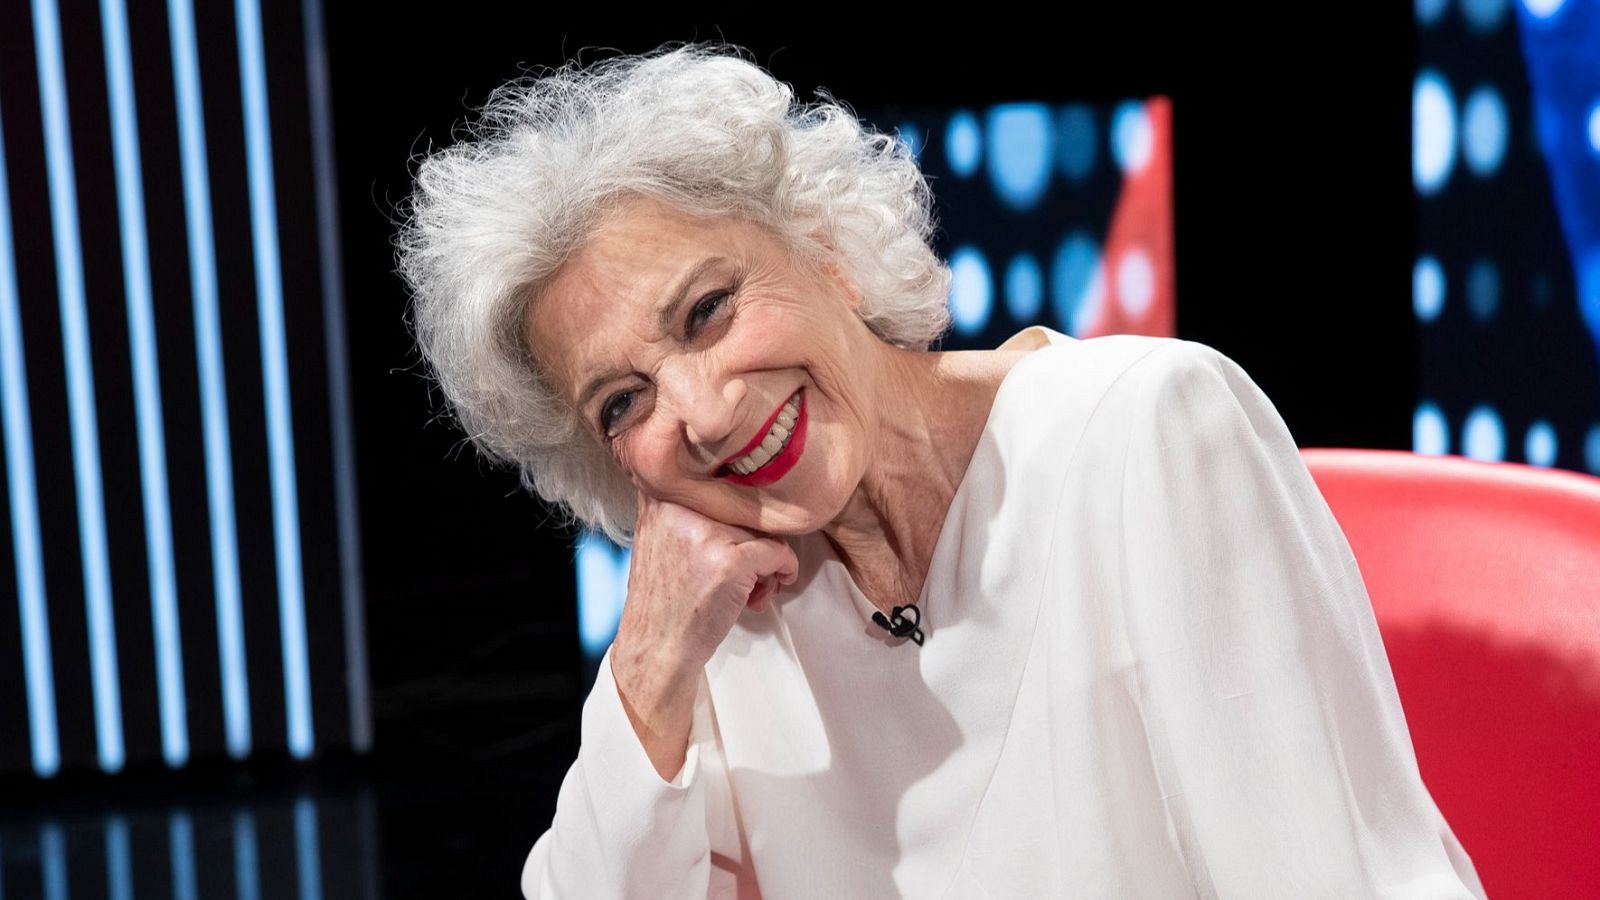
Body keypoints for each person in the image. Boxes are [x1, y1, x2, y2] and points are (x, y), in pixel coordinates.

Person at [397, 42, 1488, 900]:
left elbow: (1337, 880)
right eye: (623, 403)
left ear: (821, 245)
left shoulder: (1147, 434)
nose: (705, 412)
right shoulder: (721, 618)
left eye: (708, 309)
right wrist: (649, 665)